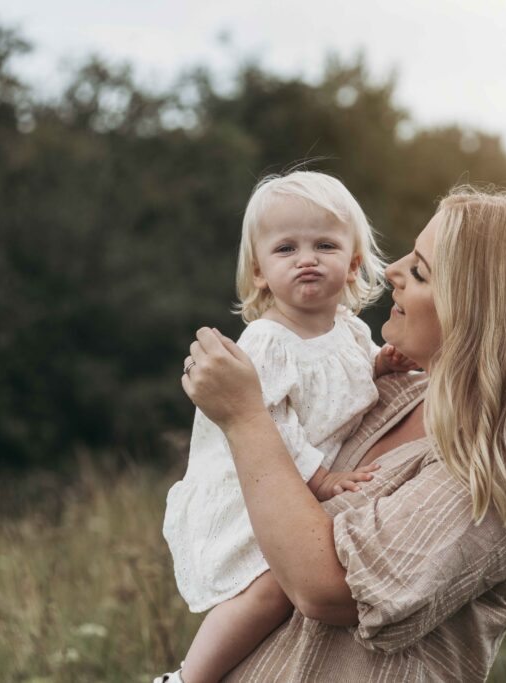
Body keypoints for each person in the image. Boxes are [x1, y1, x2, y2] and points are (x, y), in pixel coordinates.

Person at [180, 186, 506, 682]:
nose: (392, 272)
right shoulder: (393, 395)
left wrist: (245, 415)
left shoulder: (503, 462)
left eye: (420, 271)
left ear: (477, 310)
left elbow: (326, 589)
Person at [159, 171, 416, 683]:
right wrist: (319, 481)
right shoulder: (266, 341)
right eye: (286, 248)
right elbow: (269, 422)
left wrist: (380, 365)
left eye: (325, 244)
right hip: (252, 486)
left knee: (286, 587)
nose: (307, 258)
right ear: (259, 271)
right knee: (269, 588)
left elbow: (348, 372)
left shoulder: (350, 328)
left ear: (353, 265)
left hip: (293, 482)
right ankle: (189, 677)